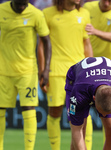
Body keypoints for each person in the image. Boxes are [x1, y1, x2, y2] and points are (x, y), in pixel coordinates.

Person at [37, 0, 93, 149]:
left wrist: (91, 70)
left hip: (79, 72)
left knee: (84, 113)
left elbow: (86, 44)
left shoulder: (84, 14)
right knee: (55, 112)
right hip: (56, 71)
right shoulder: (48, 13)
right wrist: (42, 70)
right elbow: (42, 44)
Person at [0, 0, 51, 150]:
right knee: (1, 110)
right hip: (3, 71)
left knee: (29, 108)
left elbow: (46, 41)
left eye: (25, 4)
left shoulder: (36, 14)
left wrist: (46, 69)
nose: (22, 7)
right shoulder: (1, 10)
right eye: (19, 4)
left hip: (27, 71)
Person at [65, 56, 111, 150]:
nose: (104, 115)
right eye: (101, 111)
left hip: (97, 82)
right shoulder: (78, 93)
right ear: (93, 99)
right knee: (81, 129)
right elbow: (76, 131)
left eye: (106, 113)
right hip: (76, 81)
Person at [83, 0, 111, 68]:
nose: (106, 3)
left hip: (108, 64)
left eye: (109, 1)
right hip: (87, 61)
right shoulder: (88, 7)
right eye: (104, 0)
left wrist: (94, 31)